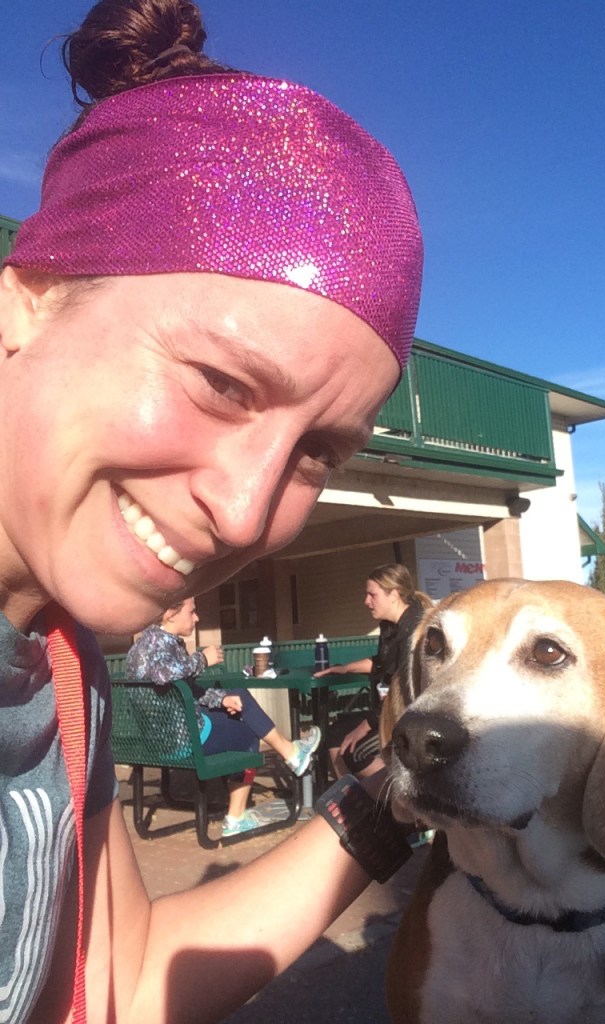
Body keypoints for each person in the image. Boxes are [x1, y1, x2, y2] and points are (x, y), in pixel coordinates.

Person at [0, 0, 423, 1020]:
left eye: (317, 452)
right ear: (30, 297)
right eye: (223, 384)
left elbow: (127, 978)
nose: (245, 512)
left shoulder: (62, 666)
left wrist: (395, 798)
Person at [125, 598, 322, 836]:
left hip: (156, 743)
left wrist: (221, 700)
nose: (197, 618)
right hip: (181, 742)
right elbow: (162, 676)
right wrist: (202, 660)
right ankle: (237, 817)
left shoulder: (143, 644)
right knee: (248, 731)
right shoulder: (158, 646)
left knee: (236, 697)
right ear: (170, 614)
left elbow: (183, 690)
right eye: (192, 611)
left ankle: (291, 753)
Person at [315, 564, 431, 778]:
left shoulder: (415, 630)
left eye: (372, 595)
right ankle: (351, 795)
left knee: (355, 751)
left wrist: (365, 726)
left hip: (409, 715)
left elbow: (403, 691)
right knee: (335, 734)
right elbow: (381, 662)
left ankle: (396, 795)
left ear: (394, 595)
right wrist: (345, 668)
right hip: (386, 709)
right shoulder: (389, 626)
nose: (366, 601)